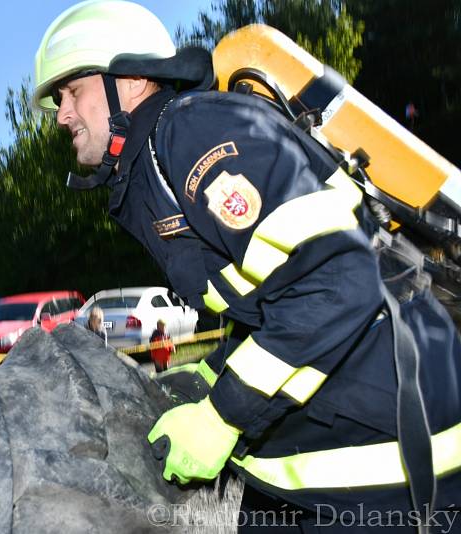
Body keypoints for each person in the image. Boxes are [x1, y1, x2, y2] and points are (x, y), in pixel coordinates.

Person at [33, 2, 461, 531]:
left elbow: (337, 282)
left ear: (132, 77)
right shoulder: (151, 175)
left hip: (388, 469)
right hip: (301, 473)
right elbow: (268, 300)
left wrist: (223, 415)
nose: (62, 114)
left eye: (73, 91)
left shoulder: (193, 133)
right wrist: (212, 373)